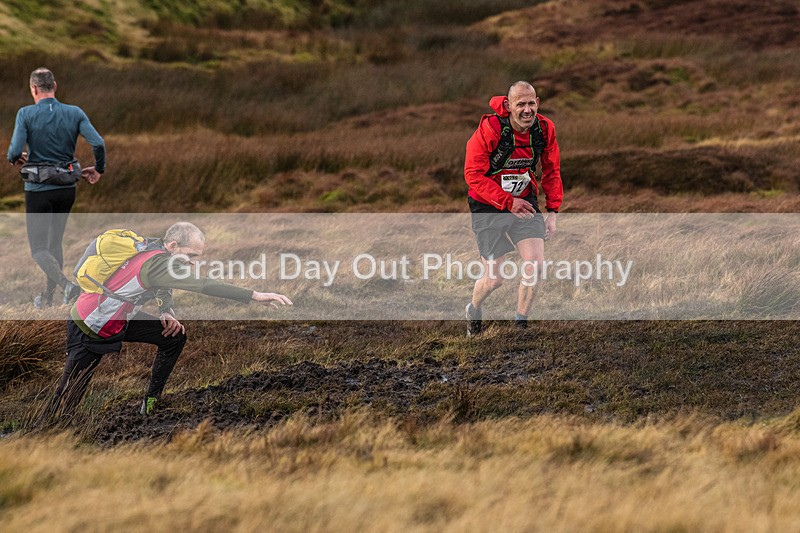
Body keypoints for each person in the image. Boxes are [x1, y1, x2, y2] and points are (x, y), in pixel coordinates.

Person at [41, 222, 293, 420]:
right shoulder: (160, 263)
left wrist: (166, 311)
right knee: (68, 396)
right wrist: (254, 295)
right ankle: (45, 432)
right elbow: (204, 285)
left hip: (118, 317)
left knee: (174, 336)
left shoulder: (153, 248)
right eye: (190, 256)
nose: (192, 262)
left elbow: (161, 285)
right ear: (173, 245)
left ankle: (149, 405)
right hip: (89, 324)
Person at [463, 81, 563, 336]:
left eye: (531, 103)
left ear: (537, 103)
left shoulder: (544, 129)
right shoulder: (491, 128)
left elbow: (551, 170)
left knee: (535, 265)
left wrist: (552, 212)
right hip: (488, 203)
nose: (527, 110)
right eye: (521, 104)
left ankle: (521, 325)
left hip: (524, 199)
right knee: (495, 278)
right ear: (508, 106)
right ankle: (473, 309)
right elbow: (472, 175)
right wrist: (508, 202)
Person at [6, 67, 106, 308]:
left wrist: (16, 157)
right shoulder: (75, 112)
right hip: (66, 189)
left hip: (38, 190)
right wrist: (99, 169)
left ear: (34, 89)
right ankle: (49, 298)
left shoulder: (25, 113)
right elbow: (98, 143)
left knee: (38, 249)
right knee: (54, 243)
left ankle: (67, 286)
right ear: (55, 86)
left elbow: (13, 151)